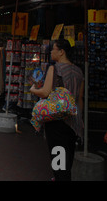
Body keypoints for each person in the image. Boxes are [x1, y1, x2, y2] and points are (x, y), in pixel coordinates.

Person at [30, 39, 84, 181]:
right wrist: (80, 119)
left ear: (61, 52)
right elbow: (80, 99)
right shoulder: (79, 72)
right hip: (74, 122)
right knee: (67, 158)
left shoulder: (55, 69)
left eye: (53, 49)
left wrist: (33, 90)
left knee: (58, 161)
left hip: (57, 122)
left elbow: (45, 92)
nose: (51, 52)